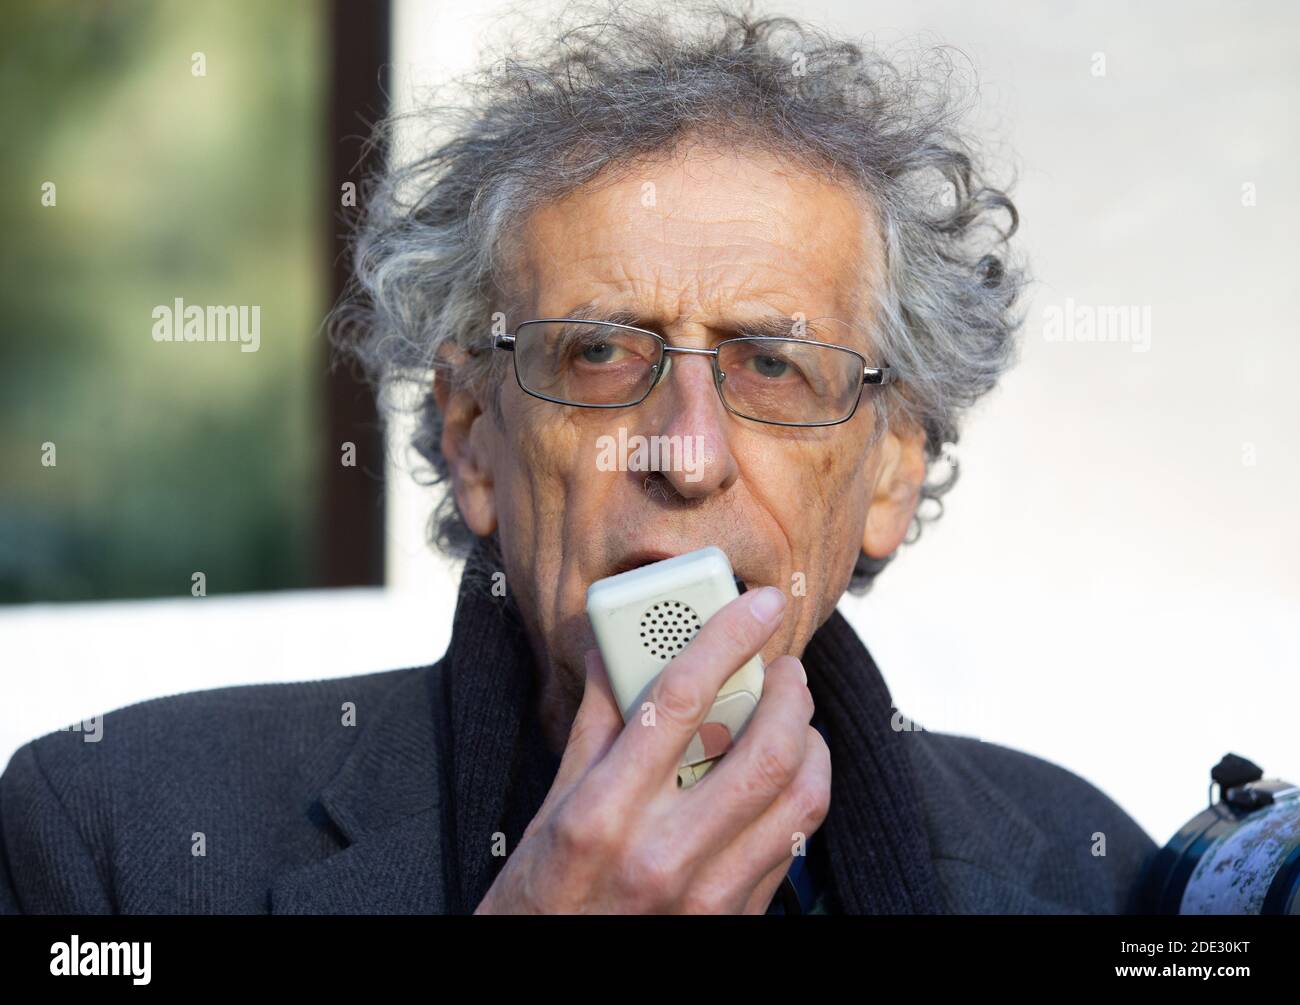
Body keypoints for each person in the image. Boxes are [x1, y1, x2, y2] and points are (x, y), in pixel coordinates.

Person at [0, 2, 1155, 914]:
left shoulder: (1087, 875)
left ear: (891, 474)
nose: (687, 454)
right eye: (600, 353)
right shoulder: (112, 830)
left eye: (772, 368)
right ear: (473, 440)